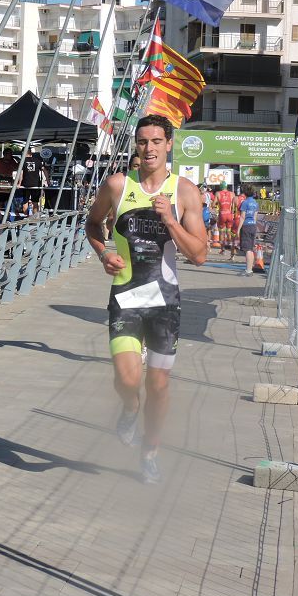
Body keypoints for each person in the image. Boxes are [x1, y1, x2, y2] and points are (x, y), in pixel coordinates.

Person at [85, 115, 207, 484]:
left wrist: (171, 222)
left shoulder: (184, 192)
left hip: (165, 303)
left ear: (169, 144)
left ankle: (150, 450)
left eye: (156, 141)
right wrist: (104, 252)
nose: (149, 148)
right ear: (135, 146)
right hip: (125, 296)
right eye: (142, 141)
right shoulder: (117, 185)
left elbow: (200, 254)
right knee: (127, 378)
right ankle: (128, 407)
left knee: (159, 385)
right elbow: (93, 224)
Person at [236, 186, 260, 276]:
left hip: (246, 226)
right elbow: (255, 217)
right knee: (250, 248)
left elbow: (242, 217)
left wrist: (238, 229)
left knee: (247, 249)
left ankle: (248, 270)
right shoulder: (255, 203)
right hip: (253, 225)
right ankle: (250, 268)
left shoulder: (245, 203)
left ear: (244, 193)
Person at [19, 145, 47, 215]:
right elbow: (45, 171)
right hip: (36, 184)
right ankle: (35, 221)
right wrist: (48, 181)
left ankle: (25, 221)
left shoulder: (22, 161)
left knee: (25, 202)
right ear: (31, 153)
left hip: (26, 185)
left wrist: (19, 183)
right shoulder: (38, 161)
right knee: (35, 203)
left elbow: (21, 173)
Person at [214, 181, 236, 259]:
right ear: (226, 186)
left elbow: (214, 204)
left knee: (222, 233)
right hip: (229, 214)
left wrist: (216, 204)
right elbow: (234, 205)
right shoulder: (232, 193)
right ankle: (231, 250)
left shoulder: (218, 193)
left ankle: (223, 250)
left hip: (222, 214)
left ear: (221, 186)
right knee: (229, 233)